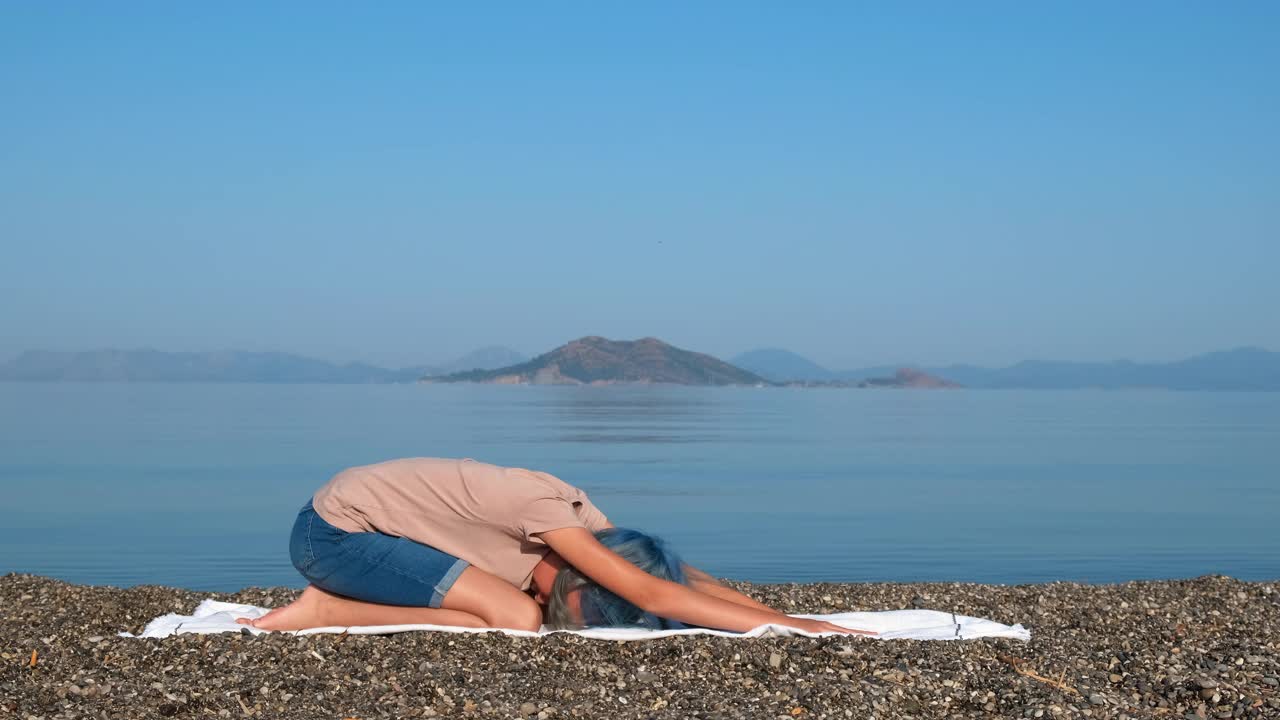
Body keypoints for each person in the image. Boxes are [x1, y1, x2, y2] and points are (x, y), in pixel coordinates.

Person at [237, 457, 873, 635]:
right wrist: (801, 627)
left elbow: (674, 577)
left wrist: (760, 611)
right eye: (574, 598)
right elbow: (649, 592)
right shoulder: (549, 514)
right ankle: (327, 608)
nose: (561, 604)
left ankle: (331, 606)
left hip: (370, 531)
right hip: (335, 533)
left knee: (521, 612)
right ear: (579, 570)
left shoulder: (592, 527)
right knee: (517, 616)